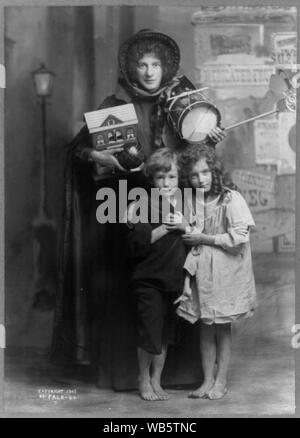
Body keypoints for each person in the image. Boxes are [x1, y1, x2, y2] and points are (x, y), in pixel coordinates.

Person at [51, 29, 226, 390]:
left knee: (177, 285)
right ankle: (127, 376)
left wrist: (209, 136)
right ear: (132, 68)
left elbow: (197, 159)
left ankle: (176, 375)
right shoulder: (113, 104)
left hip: (175, 206)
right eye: (143, 64)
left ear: (166, 68)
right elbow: (77, 151)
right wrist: (96, 154)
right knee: (131, 288)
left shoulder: (183, 103)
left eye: (156, 64)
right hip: (127, 209)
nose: (149, 72)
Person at [178, 144, 257, 400]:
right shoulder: (190, 201)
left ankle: (221, 381)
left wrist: (203, 237)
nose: (200, 179)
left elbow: (239, 238)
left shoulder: (230, 198)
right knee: (204, 326)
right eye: (193, 175)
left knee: (221, 326)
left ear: (214, 171)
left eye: (204, 172)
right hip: (203, 272)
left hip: (226, 270)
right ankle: (206, 381)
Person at [126, 148, 193, 401]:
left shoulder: (186, 202)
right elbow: (138, 245)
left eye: (171, 178)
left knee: (165, 334)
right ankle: (143, 379)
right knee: (150, 334)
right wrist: (167, 227)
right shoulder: (141, 204)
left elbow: (193, 238)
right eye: (160, 178)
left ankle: (157, 380)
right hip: (148, 279)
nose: (166, 183)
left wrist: (185, 226)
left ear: (179, 178)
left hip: (174, 278)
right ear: (152, 179)